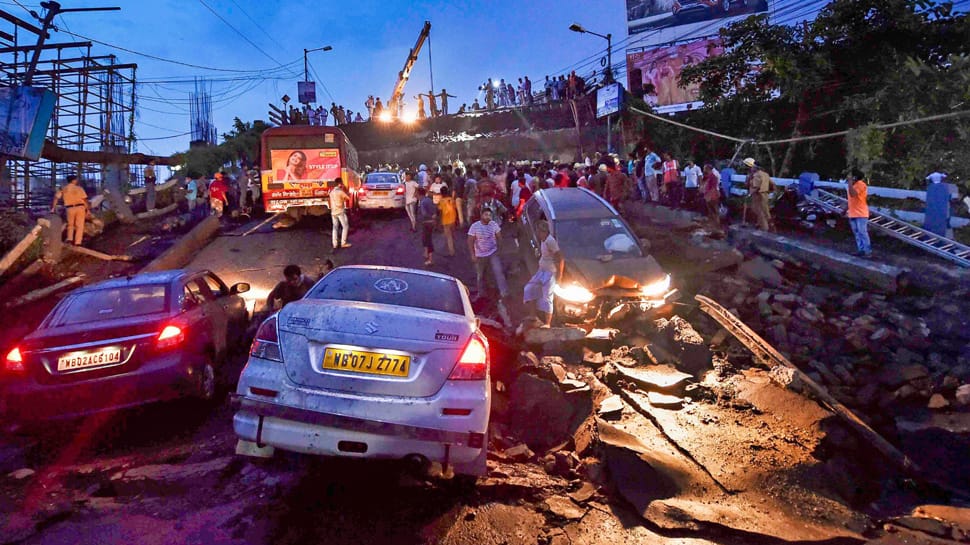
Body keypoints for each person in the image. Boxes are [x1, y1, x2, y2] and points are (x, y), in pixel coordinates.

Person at [523, 220, 563, 326]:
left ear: (544, 232)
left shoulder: (550, 241)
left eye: (539, 232)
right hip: (541, 271)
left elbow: (560, 259)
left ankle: (548, 323)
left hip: (550, 273)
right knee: (529, 289)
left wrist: (559, 275)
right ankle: (533, 315)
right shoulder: (543, 240)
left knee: (547, 298)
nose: (538, 234)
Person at [467, 209, 509, 300]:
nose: (488, 217)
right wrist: (472, 255)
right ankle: (481, 294)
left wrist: (500, 249)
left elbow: (499, 237)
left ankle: (504, 292)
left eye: (490, 215)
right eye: (486, 215)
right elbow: (470, 241)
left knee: (498, 271)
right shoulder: (475, 226)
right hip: (480, 254)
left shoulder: (493, 225)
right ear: (481, 215)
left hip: (492, 252)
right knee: (480, 275)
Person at [51, 174, 89, 246]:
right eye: (76, 179)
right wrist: (88, 210)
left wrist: (53, 208)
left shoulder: (63, 188)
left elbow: (56, 198)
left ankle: (69, 239)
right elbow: (84, 200)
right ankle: (78, 242)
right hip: (80, 208)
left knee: (70, 224)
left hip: (69, 208)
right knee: (79, 225)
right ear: (73, 180)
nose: (77, 181)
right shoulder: (79, 188)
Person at [845, 168, 872, 258]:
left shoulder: (861, 185)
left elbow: (853, 194)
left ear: (855, 177)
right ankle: (861, 250)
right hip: (852, 213)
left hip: (861, 213)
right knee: (857, 233)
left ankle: (867, 251)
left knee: (862, 232)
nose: (848, 176)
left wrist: (849, 183)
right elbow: (850, 200)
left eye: (850, 175)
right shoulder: (852, 185)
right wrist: (845, 209)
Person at [743, 157, 773, 231]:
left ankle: (764, 228)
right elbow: (772, 185)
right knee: (765, 211)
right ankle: (767, 225)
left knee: (759, 211)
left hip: (757, 195)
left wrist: (750, 194)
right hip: (765, 194)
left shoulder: (756, 175)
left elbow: (756, 187)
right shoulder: (765, 174)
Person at [329, 179, 352, 252]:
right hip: (340, 211)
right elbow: (348, 198)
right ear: (339, 184)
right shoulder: (340, 192)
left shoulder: (331, 192)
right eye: (341, 183)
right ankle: (343, 243)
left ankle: (334, 244)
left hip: (333, 212)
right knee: (345, 226)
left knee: (335, 227)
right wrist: (347, 192)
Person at [417, 187, 437, 265]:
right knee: (426, 239)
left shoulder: (422, 202)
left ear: (418, 194)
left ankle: (430, 259)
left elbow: (424, 214)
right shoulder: (428, 200)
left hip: (427, 222)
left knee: (427, 240)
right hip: (430, 222)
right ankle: (426, 254)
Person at [438, 187, 458, 257]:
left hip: (446, 221)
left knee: (449, 237)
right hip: (453, 219)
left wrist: (439, 222)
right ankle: (454, 248)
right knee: (452, 235)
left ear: (441, 193)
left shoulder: (441, 201)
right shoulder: (452, 199)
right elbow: (455, 209)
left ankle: (451, 252)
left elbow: (440, 212)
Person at [702, 163, 722, 230]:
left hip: (713, 196)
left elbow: (713, 188)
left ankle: (717, 226)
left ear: (708, 169)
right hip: (709, 196)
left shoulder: (713, 177)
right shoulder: (708, 176)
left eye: (704, 168)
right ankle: (713, 226)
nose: (703, 169)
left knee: (715, 211)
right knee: (711, 211)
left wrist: (709, 196)